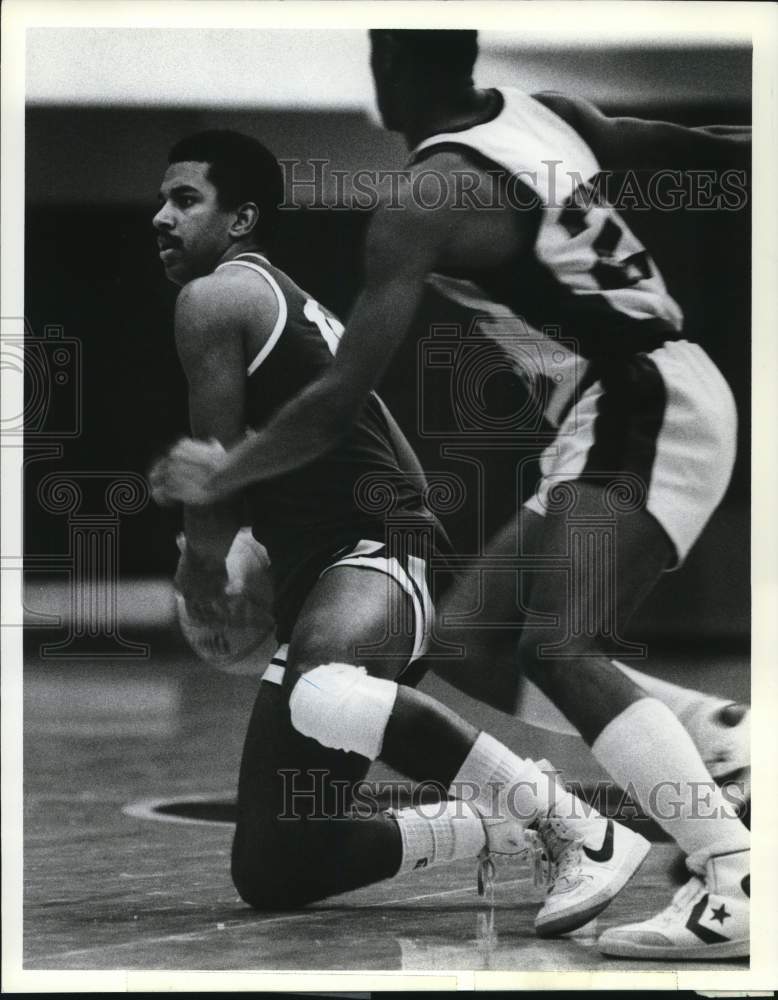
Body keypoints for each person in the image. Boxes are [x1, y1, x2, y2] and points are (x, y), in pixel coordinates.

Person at [150, 34, 751, 960]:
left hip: (637, 392)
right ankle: (718, 741)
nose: (162, 217)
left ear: (393, 71)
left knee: (558, 643)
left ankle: (727, 871)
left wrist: (217, 487)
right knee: (466, 647)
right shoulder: (542, 112)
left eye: (183, 199)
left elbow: (339, 402)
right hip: (619, 398)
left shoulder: (418, 202)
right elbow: (668, 140)